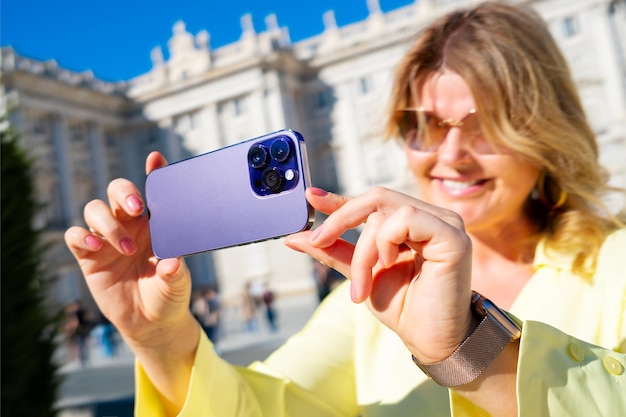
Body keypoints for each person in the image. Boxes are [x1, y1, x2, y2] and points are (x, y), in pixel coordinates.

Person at [64, 2, 626, 416]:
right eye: (422, 126)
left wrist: (467, 348)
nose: (450, 156)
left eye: (486, 126)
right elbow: (273, 408)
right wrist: (161, 341)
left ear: (549, 129)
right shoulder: (369, 292)